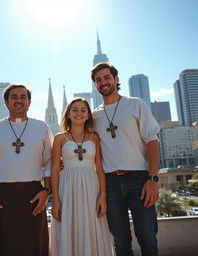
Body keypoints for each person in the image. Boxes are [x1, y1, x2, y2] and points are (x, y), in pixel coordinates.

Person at [0, 84, 53, 256]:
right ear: (6, 102)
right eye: (14, 97)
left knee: (35, 245)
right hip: (1, 196)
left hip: (33, 194)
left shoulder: (42, 128)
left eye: (23, 97)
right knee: (4, 247)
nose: (19, 100)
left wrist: (46, 190)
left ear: (29, 102)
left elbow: (49, 161)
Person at [91, 62, 160, 256]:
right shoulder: (94, 116)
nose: (103, 82)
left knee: (147, 238)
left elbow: (152, 142)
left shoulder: (135, 104)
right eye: (98, 80)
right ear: (95, 85)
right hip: (110, 182)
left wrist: (152, 179)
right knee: (120, 242)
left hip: (139, 179)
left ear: (116, 79)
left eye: (106, 77)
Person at [50, 97, 113, 256]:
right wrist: (56, 199)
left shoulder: (95, 138)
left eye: (83, 110)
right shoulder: (59, 138)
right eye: (75, 109)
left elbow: (99, 168)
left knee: (91, 224)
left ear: (88, 115)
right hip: (67, 188)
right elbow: (55, 168)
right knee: (70, 224)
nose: (79, 113)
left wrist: (103, 196)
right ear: (68, 114)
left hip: (91, 188)